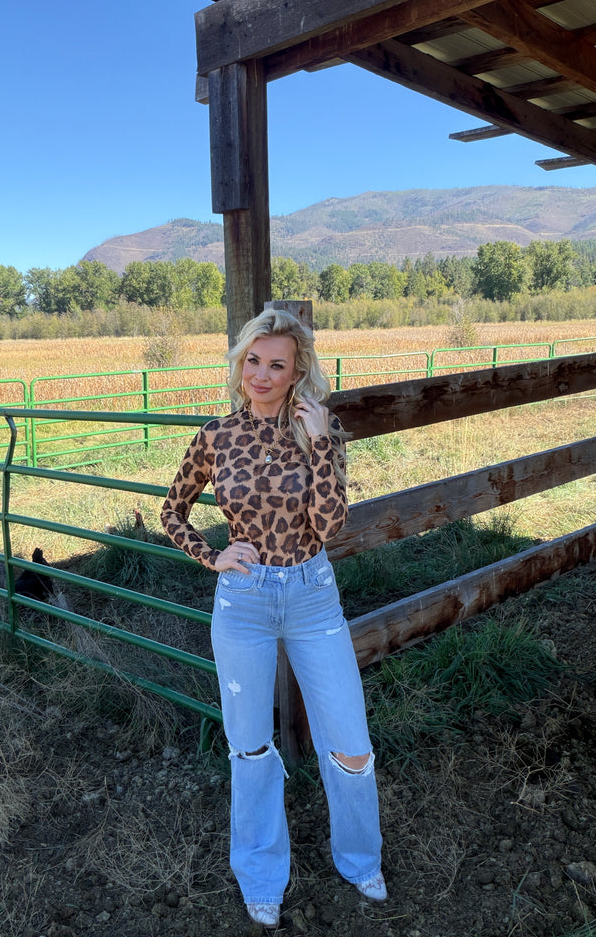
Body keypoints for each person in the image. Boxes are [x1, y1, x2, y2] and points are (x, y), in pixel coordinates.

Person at [160, 308, 385, 929]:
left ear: (296, 373)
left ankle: (360, 858)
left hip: (312, 594)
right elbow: (171, 511)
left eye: (276, 365)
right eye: (252, 360)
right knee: (250, 745)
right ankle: (261, 874)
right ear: (240, 363)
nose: (260, 374)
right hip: (245, 601)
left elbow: (330, 525)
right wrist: (213, 555)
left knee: (351, 743)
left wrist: (317, 447)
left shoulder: (321, 429)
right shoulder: (214, 436)